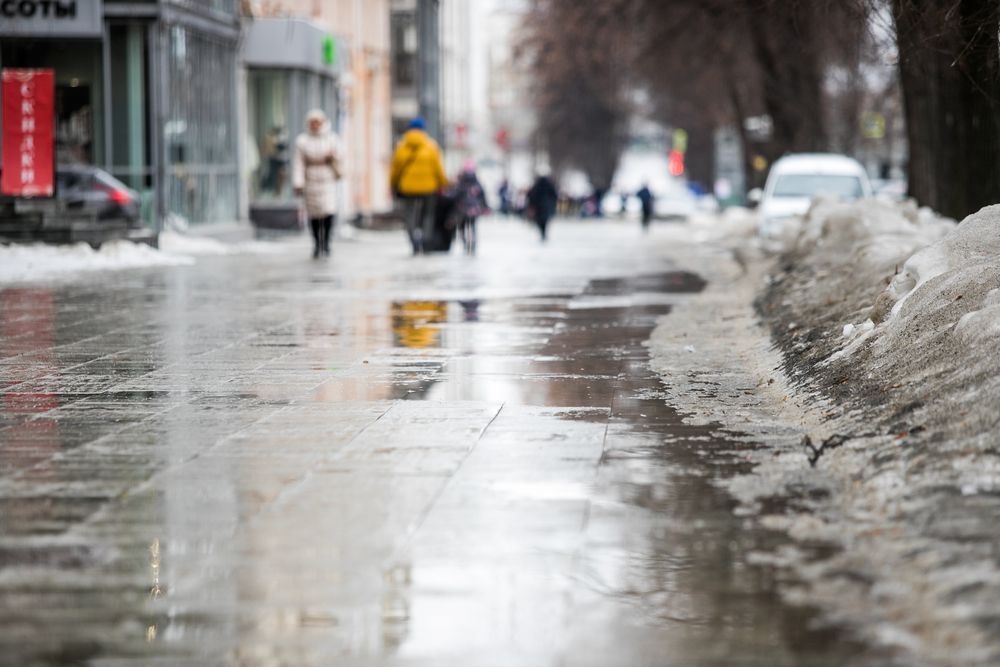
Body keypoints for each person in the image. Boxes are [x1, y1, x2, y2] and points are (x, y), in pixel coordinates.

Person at [390, 117, 447, 254]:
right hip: (429, 188)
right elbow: (438, 169)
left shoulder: (401, 146)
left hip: (408, 188)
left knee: (409, 215)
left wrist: (392, 185)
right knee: (428, 215)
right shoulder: (431, 146)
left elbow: (395, 169)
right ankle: (425, 240)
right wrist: (443, 184)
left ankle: (413, 241)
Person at [293, 109, 342, 258]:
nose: (314, 125)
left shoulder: (332, 138)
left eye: (317, 122)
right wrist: (298, 182)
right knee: (313, 214)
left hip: (328, 180)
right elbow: (298, 163)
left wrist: (333, 156)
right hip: (311, 181)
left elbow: (342, 155)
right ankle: (316, 243)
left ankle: (326, 242)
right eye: (312, 122)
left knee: (328, 212)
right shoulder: (303, 141)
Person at [450, 160, 489, 255]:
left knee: (463, 227)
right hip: (474, 210)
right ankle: (473, 244)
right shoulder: (477, 183)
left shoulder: (461, 183)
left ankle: (465, 244)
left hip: (462, 209)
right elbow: (483, 195)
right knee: (473, 227)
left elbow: (454, 194)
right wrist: (485, 207)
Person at [526, 170, 558, 242]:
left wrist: (531, 205)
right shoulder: (550, 186)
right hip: (547, 207)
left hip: (539, 208)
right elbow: (555, 196)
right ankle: (544, 233)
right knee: (545, 222)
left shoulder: (536, 186)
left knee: (540, 221)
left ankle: (542, 234)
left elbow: (531, 196)